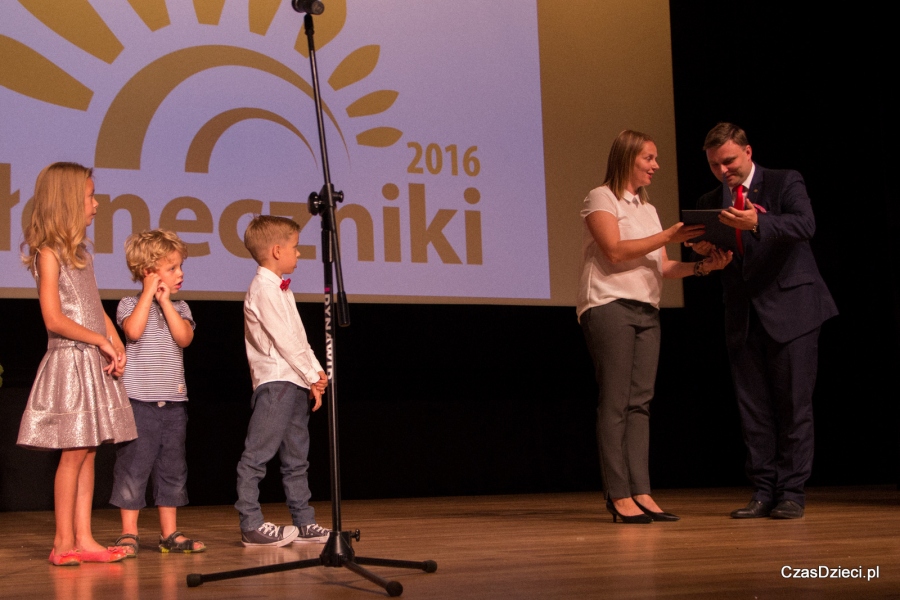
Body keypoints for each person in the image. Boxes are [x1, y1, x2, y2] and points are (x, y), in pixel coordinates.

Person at [577, 130, 732, 524]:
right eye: (649, 158)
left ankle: (641, 491)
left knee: (640, 404)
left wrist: (702, 267)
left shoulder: (647, 208)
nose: (656, 166)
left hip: (647, 309)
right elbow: (613, 251)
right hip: (609, 304)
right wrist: (669, 235)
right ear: (628, 157)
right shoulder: (602, 197)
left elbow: (662, 267)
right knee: (615, 401)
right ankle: (618, 494)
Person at [693, 123, 837, 519]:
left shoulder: (783, 181)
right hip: (743, 315)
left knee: (793, 406)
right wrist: (704, 249)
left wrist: (756, 223)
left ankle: (792, 492)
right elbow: (721, 258)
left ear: (748, 152)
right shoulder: (712, 200)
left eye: (729, 161)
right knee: (753, 410)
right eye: (714, 164)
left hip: (793, 309)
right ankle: (762, 491)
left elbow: (804, 225)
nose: (724, 170)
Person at [17, 162, 137, 565]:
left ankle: (84, 538)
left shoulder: (81, 253)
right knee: (72, 453)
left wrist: (115, 342)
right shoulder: (48, 254)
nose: (96, 204)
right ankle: (62, 541)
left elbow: (92, 306)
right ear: (68, 202)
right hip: (69, 362)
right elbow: (54, 318)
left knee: (88, 451)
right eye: (89, 197)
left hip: (90, 358)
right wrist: (98, 340)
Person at [235, 215, 330, 546]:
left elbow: (299, 337)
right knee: (257, 455)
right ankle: (251, 523)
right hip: (276, 383)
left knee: (296, 458)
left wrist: (315, 375)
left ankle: (304, 521)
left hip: (294, 382)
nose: (299, 253)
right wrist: (310, 373)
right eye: (295, 247)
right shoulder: (263, 289)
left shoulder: (280, 289)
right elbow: (285, 340)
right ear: (277, 250)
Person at [109, 230, 205, 555]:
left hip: (174, 404)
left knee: (172, 467)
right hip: (138, 403)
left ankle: (169, 533)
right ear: (149, 271)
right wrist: (150, 294)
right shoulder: (129, 304)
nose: (180, 274)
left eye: (180, 267)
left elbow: (184, 339)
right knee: (133, 467)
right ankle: (128, 532)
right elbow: (133, 332)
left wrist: (165, 301)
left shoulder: (180, 307)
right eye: (173, 268)